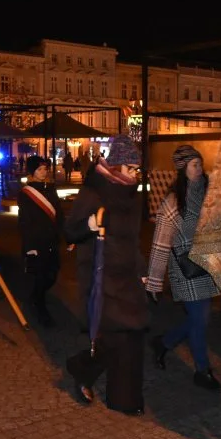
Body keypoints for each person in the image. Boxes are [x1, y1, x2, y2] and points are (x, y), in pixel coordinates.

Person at [63, 134, 148, 415]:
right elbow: (69, 231)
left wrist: (142, 271)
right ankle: (91, 376)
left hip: (127, 277)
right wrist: (87, 224)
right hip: (101, 277)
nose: (135, 174)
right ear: (116, 166)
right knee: (116, 337)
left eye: (137, 169)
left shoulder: (131, 197)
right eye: (131, 168)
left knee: (131, 336)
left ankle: (125, 397)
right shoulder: (93, 193)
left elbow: (133, 240)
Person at [145, 145, 221, 392]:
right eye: (194, 165)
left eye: (200, 164)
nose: (199, 169)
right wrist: (154, 281)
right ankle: (202, 371)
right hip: (184, 268)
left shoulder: (210, 195)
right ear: (182, 169)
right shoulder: (172, 202)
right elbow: (160, 243)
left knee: (201, 319)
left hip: (206, 265)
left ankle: (164, 343)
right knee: (199, 320)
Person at [16, 156, 63, 327]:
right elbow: (24, 221)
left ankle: (36, 296)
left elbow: (58, 214)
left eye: (45, 169)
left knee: (53, 274)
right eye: (39, 169)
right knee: (41, 276)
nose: (43, 172)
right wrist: (30, 246)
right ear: (32, 172)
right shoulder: (26, 193)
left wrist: (65, 236)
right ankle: (41, 310)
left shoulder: (51, 188)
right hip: (37, 242)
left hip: (52, 240)